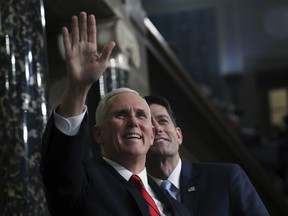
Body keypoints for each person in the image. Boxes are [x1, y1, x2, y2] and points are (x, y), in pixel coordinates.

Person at [40, 12, 190, 216]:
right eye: (120, 114)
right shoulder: (83, 182)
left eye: (141, 115)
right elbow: (60, 161)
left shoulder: (177, 208)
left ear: (152, 134)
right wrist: (78, 88)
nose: (133, 122)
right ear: (98, 134)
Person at [144, 95, 270, 216]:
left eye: (162, 121)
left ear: (178, 136)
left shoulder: (225, 178)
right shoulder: (133, 194)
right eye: (149, 124)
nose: (157, 128)